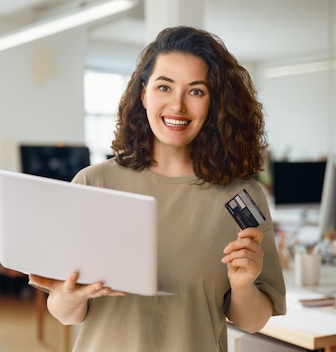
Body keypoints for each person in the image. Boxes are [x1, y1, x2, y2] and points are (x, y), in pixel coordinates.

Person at [29, 26, 286, 351]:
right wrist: (69, 296)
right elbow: (65, 314)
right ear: (143, 93)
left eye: (196, 91)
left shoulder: (242, 197)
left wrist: (244, 286)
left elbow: (252, 321)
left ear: (215, 102)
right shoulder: (93, 184)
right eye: (164, 87)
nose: (177, 106)